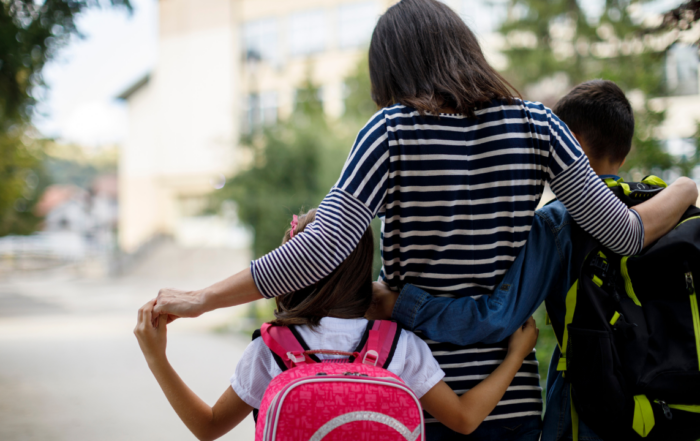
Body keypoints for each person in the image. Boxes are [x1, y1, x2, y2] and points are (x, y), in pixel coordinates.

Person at [152, 1, 698, 438]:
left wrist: (202, 299)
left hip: (411, 394)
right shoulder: (538, 125)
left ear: (391, 69)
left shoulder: (390, 131)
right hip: (511, 399)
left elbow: (320, 248)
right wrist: (686, 187)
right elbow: (625, 234)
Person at [368, 79, 683, 440]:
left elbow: (495, 316)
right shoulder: (665, 209)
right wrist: (685, 186)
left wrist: (398, 304)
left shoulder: (559, 224)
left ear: (571, 145)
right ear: (623, 154)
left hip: (588, 412)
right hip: (664, 410)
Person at [134, 209, 540, 440]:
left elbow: (207, 428)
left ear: (289, 269)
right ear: (365, 267)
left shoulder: (272, 348)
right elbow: (465, 419)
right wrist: (515, 356)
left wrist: (157, 358)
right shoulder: (398, 345)